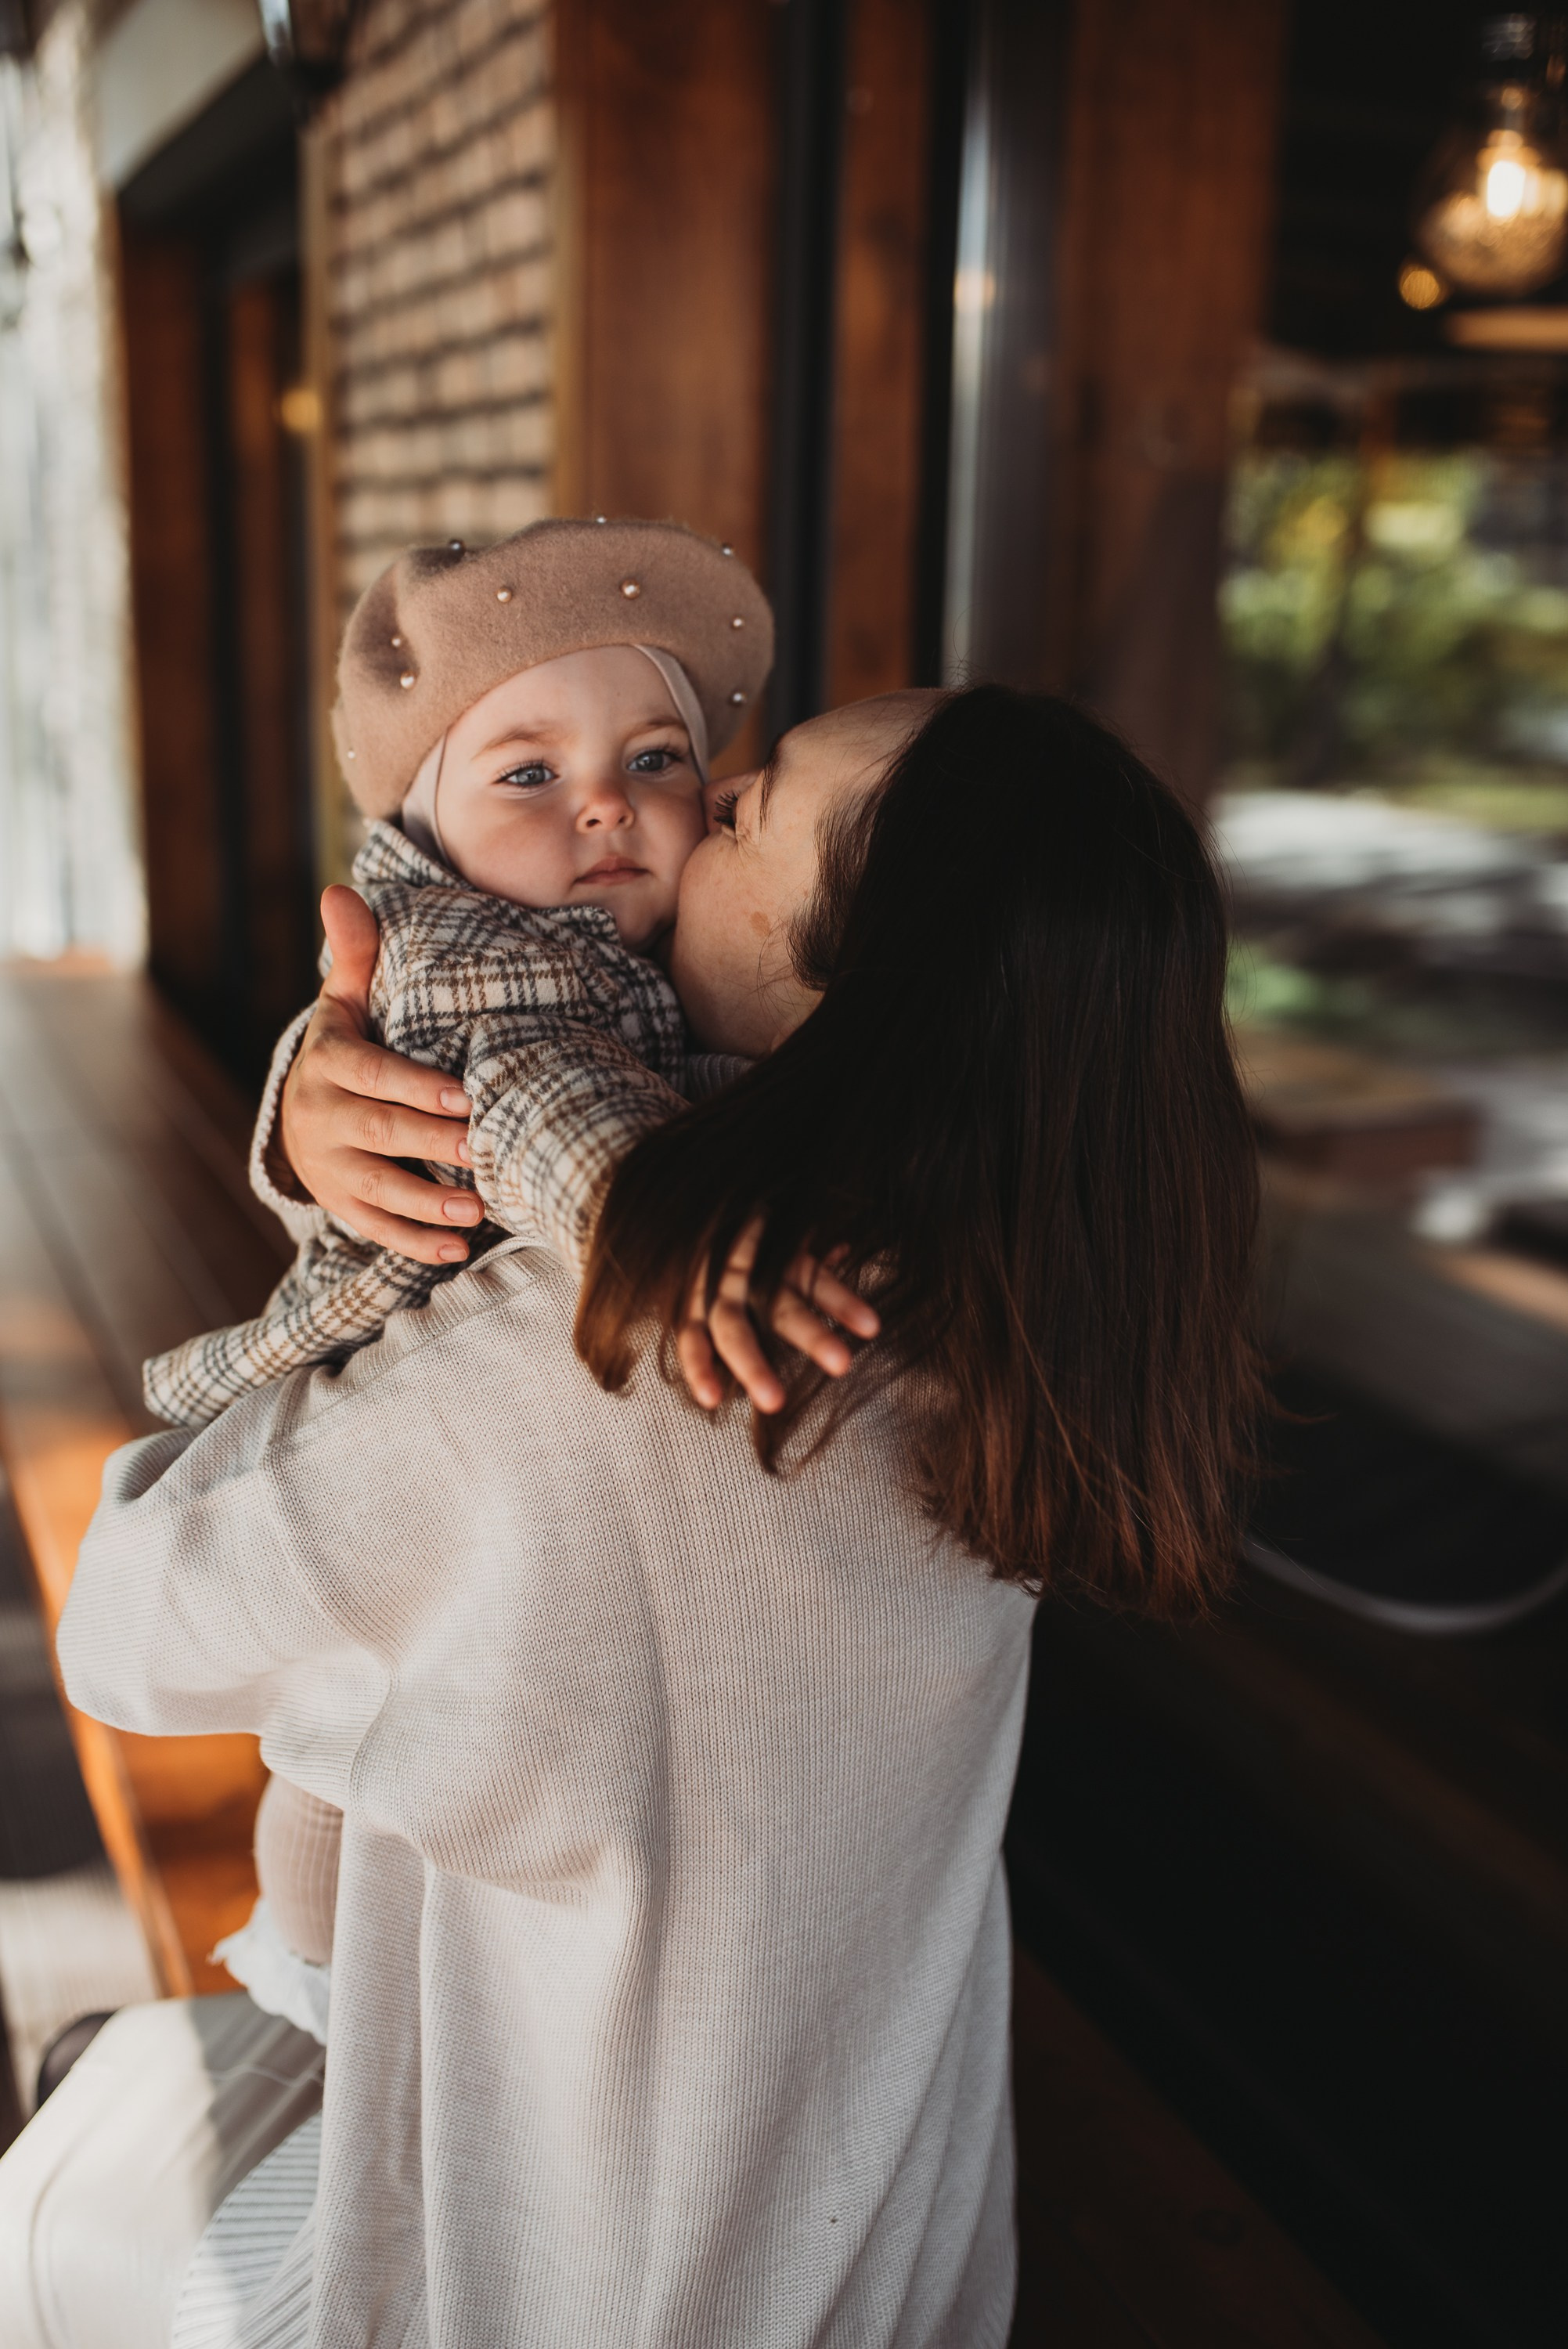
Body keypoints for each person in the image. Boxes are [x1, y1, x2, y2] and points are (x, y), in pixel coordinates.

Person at [5, 684, 1260, 2349]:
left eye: (745, 810)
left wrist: (347, 1199)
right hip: (890, 2270)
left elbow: (135, 1628)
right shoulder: (1015, 1309)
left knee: (48, 2202)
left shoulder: (625, 1342)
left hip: (560, 2275)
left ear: (860, 979)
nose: (697, 797)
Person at [141, 518, 872, 2026]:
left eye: (662, 762)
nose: (609, 805)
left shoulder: (648, 955)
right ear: (421, 836)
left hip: (505, 1552)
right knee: (342, 1740)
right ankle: (312, 1992)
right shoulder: (491, 956)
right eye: (529, 774)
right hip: (370, 1406)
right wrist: (665, 1228)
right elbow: (538, 1101)